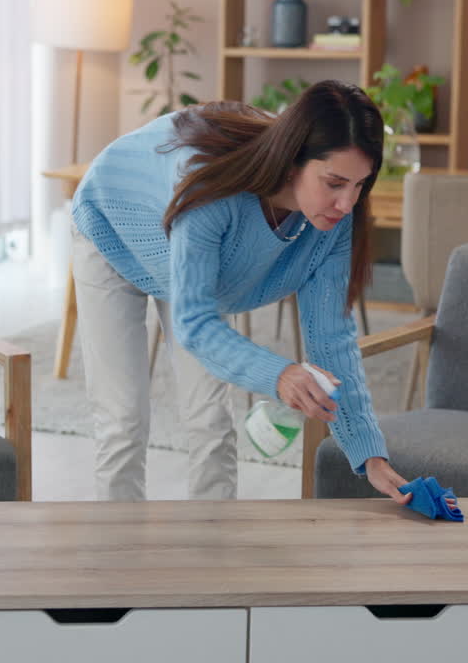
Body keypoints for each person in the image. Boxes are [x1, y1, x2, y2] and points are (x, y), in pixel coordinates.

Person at [70, 79, 411, 504]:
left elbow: (332, 340)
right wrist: (280, 374)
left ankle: (213, 553)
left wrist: (370, 456)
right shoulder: (210, 191)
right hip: (113, 226)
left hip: (192, 261)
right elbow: (194, 323)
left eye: (359, 186)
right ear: (293, 162)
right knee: (123, 422)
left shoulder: (334, 221)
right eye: (335, 182)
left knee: (211, 420)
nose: (346, 203)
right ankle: (115, 559)